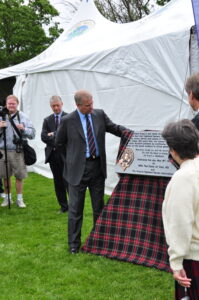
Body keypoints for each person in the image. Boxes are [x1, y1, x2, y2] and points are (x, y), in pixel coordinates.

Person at [55, 90, 127, 254]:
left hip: (97, 168)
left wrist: (130, 133)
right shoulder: (67, 121)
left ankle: (99, 242)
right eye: (88, 105)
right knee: (75, 209)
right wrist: (71, 161)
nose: (91, 107)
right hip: (76, 171)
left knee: (98, 207)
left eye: (92, 103)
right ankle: (74, 244)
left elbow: (114, 128)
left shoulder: (99, 115)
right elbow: (59, 144)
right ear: (78, 105)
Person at [162, 119, 199, 300]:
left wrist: (176, 263)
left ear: (173, 150)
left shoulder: (183, 178)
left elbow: (180, 224)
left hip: (194, 259)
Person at [0, 95, 35, 208]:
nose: (10, 105)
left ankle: (20, 199)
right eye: (9, 103)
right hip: (3, 151)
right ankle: (7, 198)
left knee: (19, 176)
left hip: (18, 151)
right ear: (6, 104)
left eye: (13, 103)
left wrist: (23, 129)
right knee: (5, 176)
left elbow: (33, 134)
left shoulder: (23, 116)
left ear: (17, 104)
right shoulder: (1, 116)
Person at [41, 95, 68, 213]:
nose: (56, 108)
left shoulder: (69, 118)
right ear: (50, 106)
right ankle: (63, 206)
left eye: (57, 105)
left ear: (62, 104)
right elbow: (43, 137)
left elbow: (68, 135)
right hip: (53, 155)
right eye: (53, 106)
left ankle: (74, 206)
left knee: (69, 181)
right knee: (58, 182)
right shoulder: (47, 120)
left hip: (66, 155)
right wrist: (57, 137)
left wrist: (53, 134)